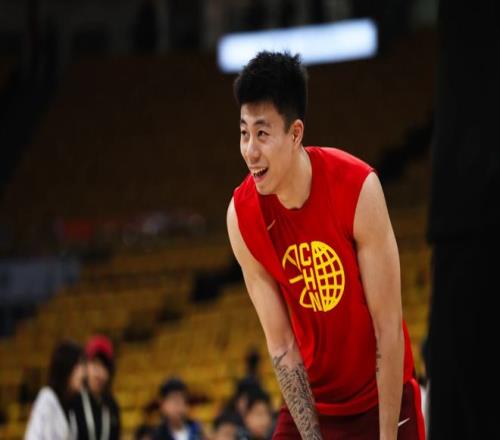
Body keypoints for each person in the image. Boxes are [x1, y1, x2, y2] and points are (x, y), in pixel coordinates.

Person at [226, 51, 425, 439]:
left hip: (381, 397)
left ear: (296, 133)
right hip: (313, 404)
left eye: (262, 134)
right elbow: (282, 346)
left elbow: (387, 328)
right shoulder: (241, 216)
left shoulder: (357, 188)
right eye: (244, 133)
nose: (250, 151)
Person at [24, 340, 85, 440]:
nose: (83, 373)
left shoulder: (71, 405)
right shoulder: (47, 398)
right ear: (66, 368)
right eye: (78, 366)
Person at [71, 335, 121, 440]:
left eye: (104, 366)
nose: (99, 373)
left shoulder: (112, 406)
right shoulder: (74, 401)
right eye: (95, 364)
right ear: (85, 366)